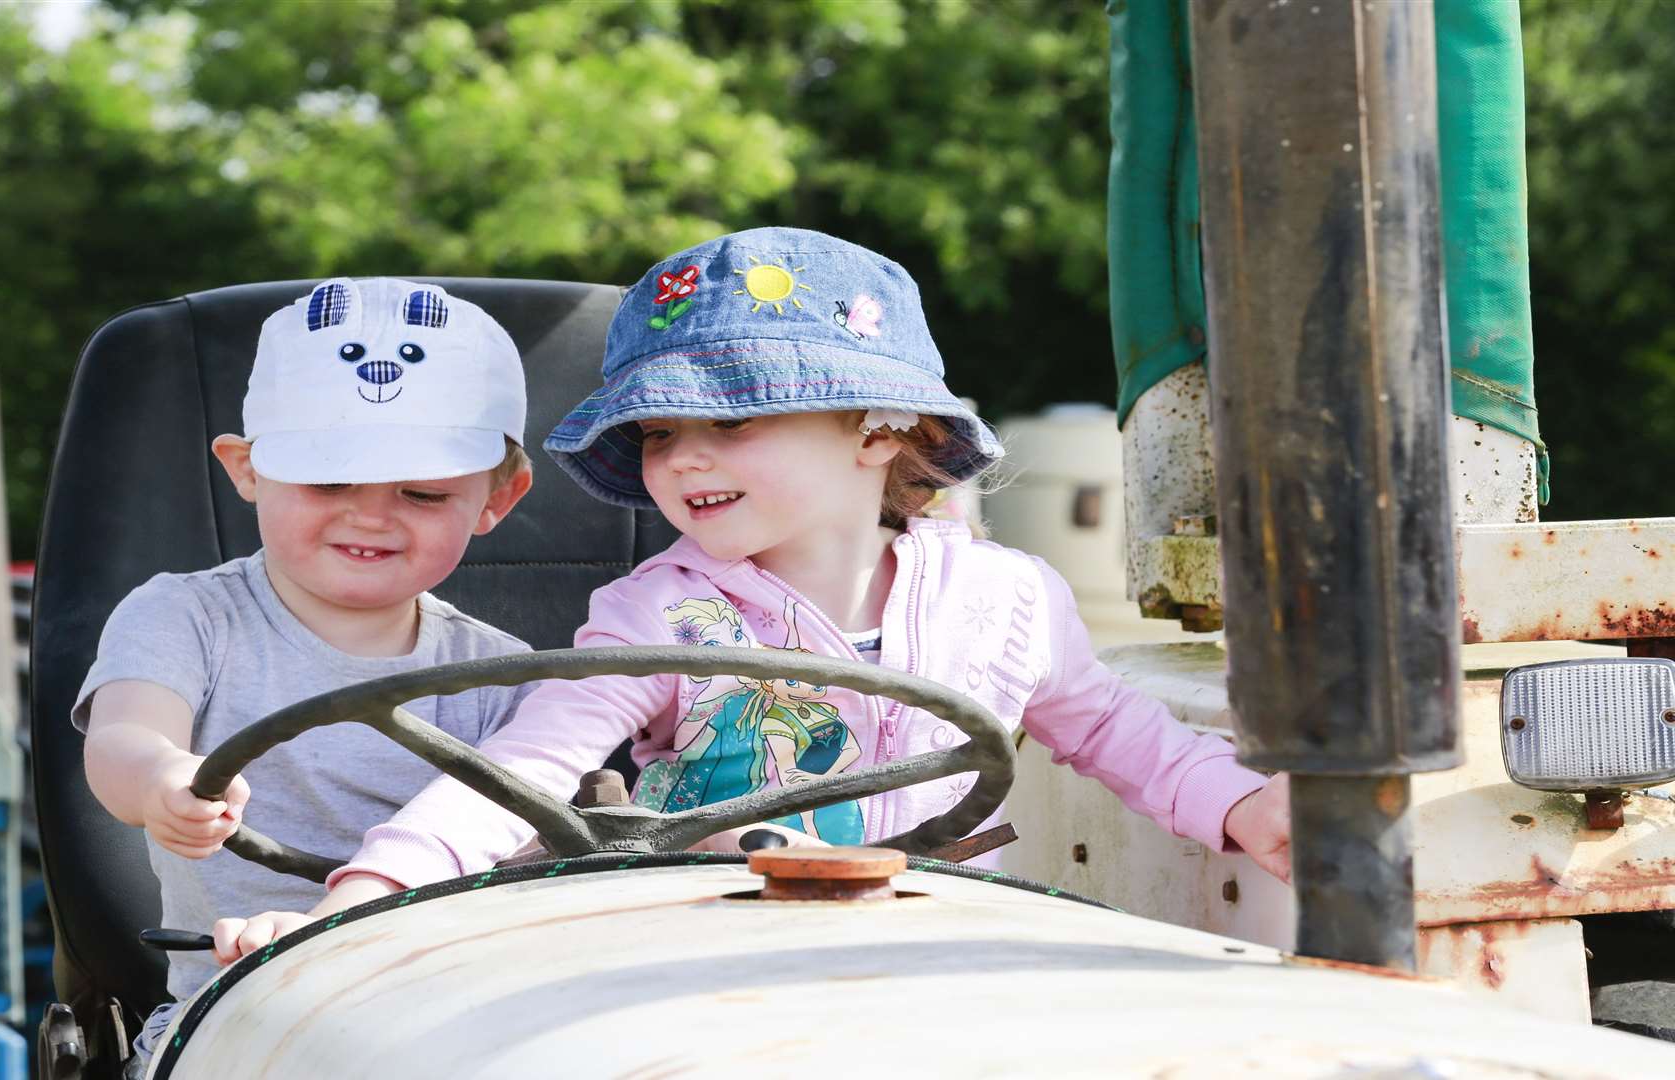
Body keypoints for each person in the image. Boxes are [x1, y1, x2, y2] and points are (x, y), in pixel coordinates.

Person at [214, 228, 1291, 962]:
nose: (684, 460)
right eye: (661, 433)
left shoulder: (1008, 598)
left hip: (942, 940)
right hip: (705, 945)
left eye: (730, 422)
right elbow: (524, 770)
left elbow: (1122, 737)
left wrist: (1249, 810)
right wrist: (370, 890)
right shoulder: (656, 614)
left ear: (879, 429)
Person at [76, 276, 535, 1072]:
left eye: (423, 491)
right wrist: (162, 782)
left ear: (498, 497)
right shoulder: (187, 617)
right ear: (247, 469)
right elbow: (124, 736)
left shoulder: (512, 678)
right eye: (329, 481)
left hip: (453, 1019)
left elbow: (544, 861)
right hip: (239, 1010)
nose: (371, 514)